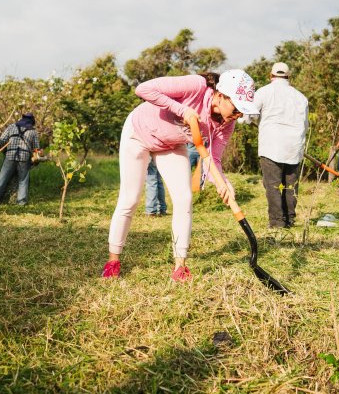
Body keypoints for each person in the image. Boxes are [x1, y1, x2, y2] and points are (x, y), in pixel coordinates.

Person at [101, 70, 258, 282]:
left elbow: (213, 160)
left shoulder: (226, 123)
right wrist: (182, 110)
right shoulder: (196, 86)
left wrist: (224, 183)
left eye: (243, 111)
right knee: (130, 199)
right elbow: (143, 89)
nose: (239, 114)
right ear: (220, 95)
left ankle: (180, 266)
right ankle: (113, 261)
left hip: (170, 145)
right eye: (237, 107)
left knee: (184, 199)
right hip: (139, 133)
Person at [250, 62, 309, 228]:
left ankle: (277, 222)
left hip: (271, 146)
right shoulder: (301, 97)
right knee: (291, 185)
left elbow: (249, 115)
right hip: (294, 147)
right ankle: (289, 219)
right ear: (288, 77)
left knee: (273, 185)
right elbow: (305, 126)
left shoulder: (263, 92)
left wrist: (246, 119)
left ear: (271, 76)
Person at [0, 113, 40, 206]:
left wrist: (5, 151)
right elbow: (36, 149)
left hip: (10, 156)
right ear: (32, 121)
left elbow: (2, 140)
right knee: (23, 181)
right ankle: (21, 203)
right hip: (24, 158)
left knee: (2, 179)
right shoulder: (33, 131)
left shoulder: (12, 126)